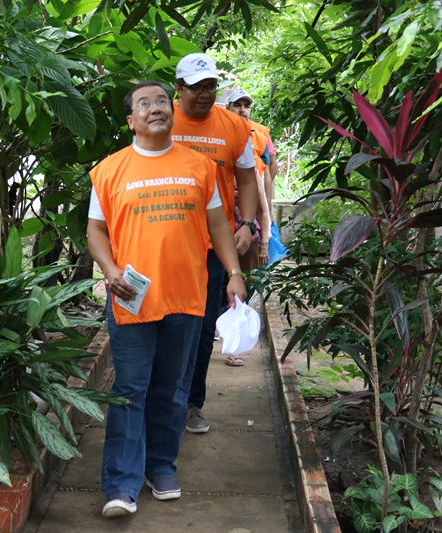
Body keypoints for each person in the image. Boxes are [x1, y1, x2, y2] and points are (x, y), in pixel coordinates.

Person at [86, 80, 247, 518]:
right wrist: (110, 270)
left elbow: (218, 226)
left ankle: (161, 467)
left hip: (187, 295)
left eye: (161, 101)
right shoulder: (109, 170)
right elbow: (96, 230)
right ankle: (121, 485)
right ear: (131, 120)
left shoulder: (199, 167)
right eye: (145, 103)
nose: (155, 108)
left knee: (172, 390)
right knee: (129, 389)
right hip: (131, 298)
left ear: (170, 111)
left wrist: (234, 274)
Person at [170, 53, 259, 431]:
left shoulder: (234, 126)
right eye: (196, 87)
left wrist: (248, 224)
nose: (205, 95)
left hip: (212, 245)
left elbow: (249, 179)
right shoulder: (160, 117)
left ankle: (191, 403)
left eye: (210, 86)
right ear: (179, 88)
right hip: (167, 242)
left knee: (204, 327)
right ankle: (163, 403)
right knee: (166, 324)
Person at [225, 89, 273, 271]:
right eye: (237, 105)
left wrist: (264, 243)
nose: (242, 110)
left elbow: (266, 173)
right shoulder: (216, 143)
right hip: (217, 233)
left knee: (244, 286)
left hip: (246, 232)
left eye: (246, 106)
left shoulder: (259, 137)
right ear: (227, 109)